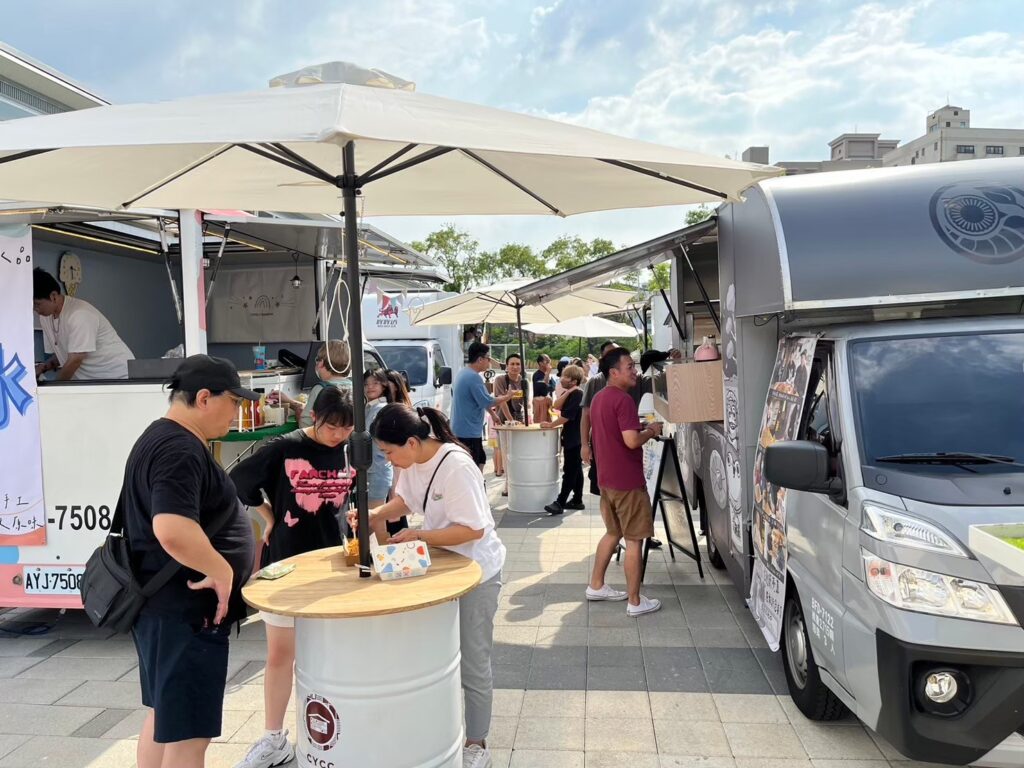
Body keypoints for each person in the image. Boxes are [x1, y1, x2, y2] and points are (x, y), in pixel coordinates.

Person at [121, 355, 257, 768]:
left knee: (165, 718)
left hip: (164, 611)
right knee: (189, 738)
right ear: (203, 398)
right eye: (233, 402)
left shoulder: (159, 436)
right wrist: (221, 569)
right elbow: (172, 528)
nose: (238, 413)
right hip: (186, 613)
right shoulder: (180, 448)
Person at [354, 404, 506, 768]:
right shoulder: (413, 462)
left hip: (478, 573)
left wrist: (419, 533)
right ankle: (440, 730)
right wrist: (374, 514)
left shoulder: (456, 465)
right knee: (434, 657)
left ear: (411, 442)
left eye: (389, 452)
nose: (388, 460)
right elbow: (404, 501)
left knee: (473, 660)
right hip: (444, 569)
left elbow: (473, 529)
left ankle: (476, 743)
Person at [229, 387, 355, 768]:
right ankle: (273, 738)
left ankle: (333, 733)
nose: (339, 435)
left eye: (347, 428)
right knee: (281, 654)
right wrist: (267, 517)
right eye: (333, 426)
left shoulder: (351, 449)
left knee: (330, 654)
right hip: (286, 563)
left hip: (335, 563)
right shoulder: (283, 447)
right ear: (315, 417)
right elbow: (237, 481)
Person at [587, 348, 663, 616]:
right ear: (613, 372)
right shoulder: (623, 400)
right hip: (627, 481)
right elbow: (631, 440)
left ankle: (596, 585)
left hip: (606, 479)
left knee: (613, 532)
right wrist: (650, 431)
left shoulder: (598, 398)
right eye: (629, 366)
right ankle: (635, 601)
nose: (635, 371)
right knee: (634, 539)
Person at [32, 267, 134, 381]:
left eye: (37, 304)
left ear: (53, 296)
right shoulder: (46, 317)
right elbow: (64, 354)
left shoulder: (80, 314)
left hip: (118, 377)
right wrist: (43, 367)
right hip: (94, 382)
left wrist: (54, 389)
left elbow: (75, 359)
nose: (35, 309)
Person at [451, 341, 515, 471]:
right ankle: (476, 488)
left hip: (462, 429)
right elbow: (487, 401)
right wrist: (507, 396)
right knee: (473, 466)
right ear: (480, 359)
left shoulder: (463, 373)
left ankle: (479, 486)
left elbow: (480, 400)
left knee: (481, 459)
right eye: (488, 358)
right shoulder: (473, 378)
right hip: (468, 431)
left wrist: (492, 413)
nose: (489, 362)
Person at [272, 340, 351, 427]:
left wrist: (300, 418)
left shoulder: (320, 389)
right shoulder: (355, 387)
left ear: (320, 363)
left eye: (317, 360)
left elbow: (306, 423)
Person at [541, 364, 586, 515]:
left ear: (574, 381)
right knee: (576, 470)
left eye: (566, 376)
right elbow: (556, 405)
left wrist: (550, 424)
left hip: (575, 439)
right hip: (573, 438)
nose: (561, 378)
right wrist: (569, 391)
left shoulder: (577, 394)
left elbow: (566, 417)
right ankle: (577, 500)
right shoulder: (573, 393)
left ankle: (560, 502)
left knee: (570, 471)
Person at [491, 353, 526, 481]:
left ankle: (517, 479)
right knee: (506, 452)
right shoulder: (500, 380)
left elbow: (525, 402)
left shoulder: (523, 380)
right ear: (507, 366)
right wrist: (510, 420)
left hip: (519, 420)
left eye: (518, 364)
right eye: (512, 364)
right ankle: (507, 482)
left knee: (519, 451)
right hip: (504, 421)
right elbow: (502, 402)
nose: (515, 367)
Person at [532, 354, 556, 424]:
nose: (549, 362)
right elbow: (543, 389)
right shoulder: (537, 375)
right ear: (540, 363)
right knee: (540, 425)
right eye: (547, 361)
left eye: (549, 360)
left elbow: (552, 388)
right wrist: (548, 373)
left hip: (548, 404)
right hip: (540, 404)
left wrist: (548, 374)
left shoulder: (548, 375)